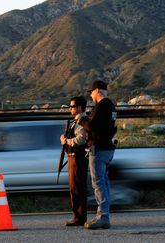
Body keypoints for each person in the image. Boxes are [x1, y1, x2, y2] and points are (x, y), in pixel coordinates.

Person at [78, 81, 117, 230]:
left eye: (92, 93)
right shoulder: (111, 106)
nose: (91, 96)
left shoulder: (101, 107)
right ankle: (104, 214)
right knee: (104, 182)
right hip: (107, 148)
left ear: (98, 91)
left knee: (98, 183)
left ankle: (103, 216)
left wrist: (82, 120)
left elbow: (92, 126)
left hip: (99, 149)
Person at [60, 96, 89, 226]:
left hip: (78, 158)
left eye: (72, 106)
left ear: (79, 107)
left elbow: (81, 139)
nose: (70, 109)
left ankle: (79, 217)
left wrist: (67, 141)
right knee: (75, 188)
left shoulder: (82, 120)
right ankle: (78, 216)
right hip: (73, 157)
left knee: (77, 188)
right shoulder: (75, 121)